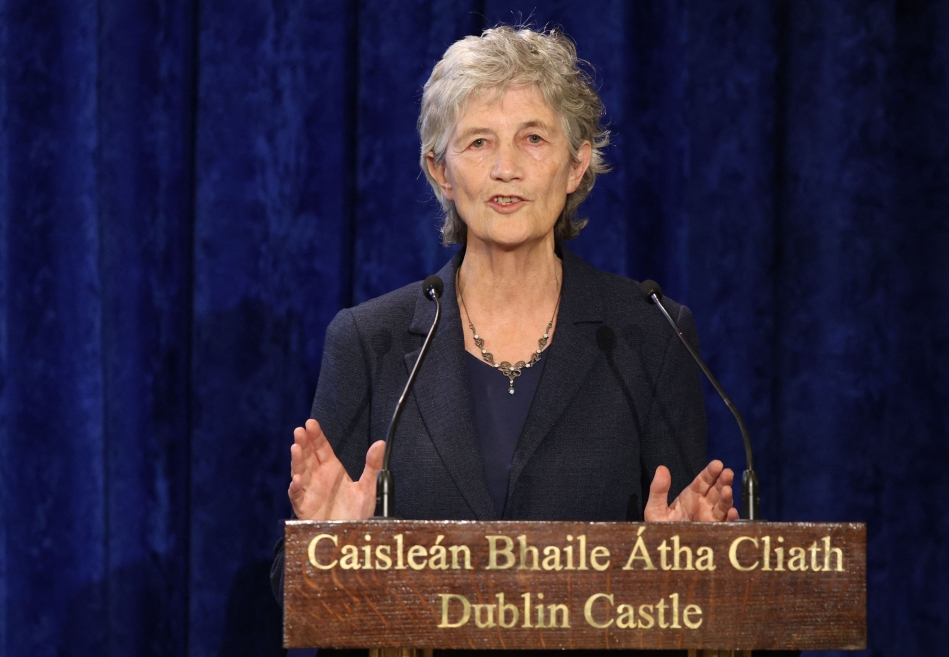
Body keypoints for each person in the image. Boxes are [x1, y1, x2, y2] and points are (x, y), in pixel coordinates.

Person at [272, 25, 738, 609]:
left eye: (534, 139)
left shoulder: (649, 333)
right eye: (478, 143)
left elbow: (701, 583)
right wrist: (330, 547)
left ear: (576, 165)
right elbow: (293, 596)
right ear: (440, 171)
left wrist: (693, 563)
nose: (506, 168)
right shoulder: (370, 342)